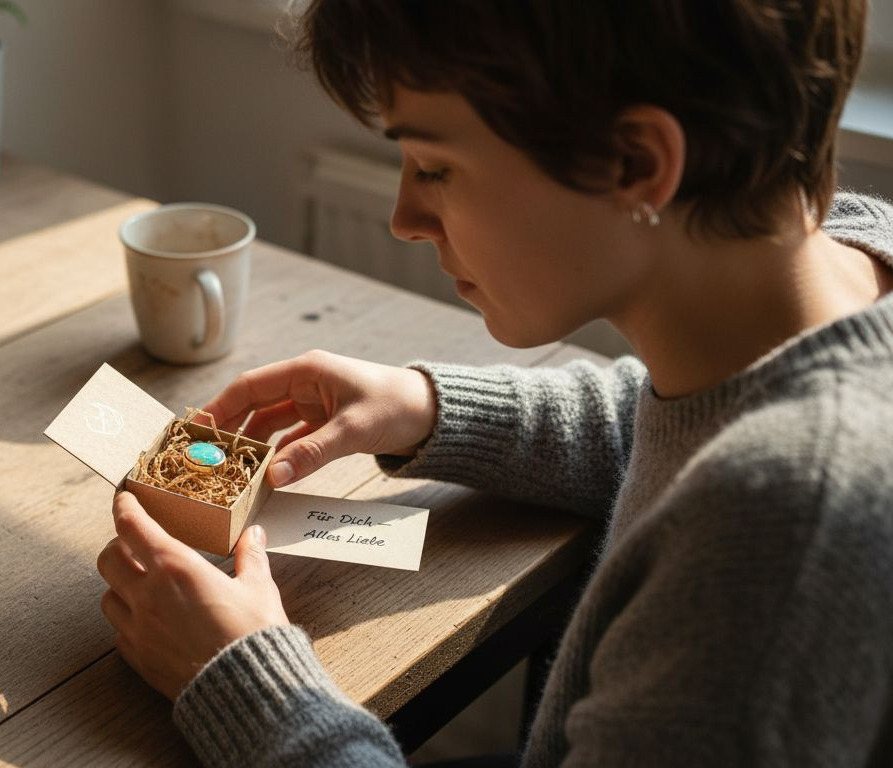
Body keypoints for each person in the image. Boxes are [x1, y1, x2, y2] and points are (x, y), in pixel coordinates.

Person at [96, 1, 893, 765]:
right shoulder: (848, 259)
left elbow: (744, 475)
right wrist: (431, 410)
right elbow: (689, 424)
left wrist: (247, 685)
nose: (405, 216)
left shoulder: (786, 522)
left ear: (637, 164)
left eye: (436, 167)